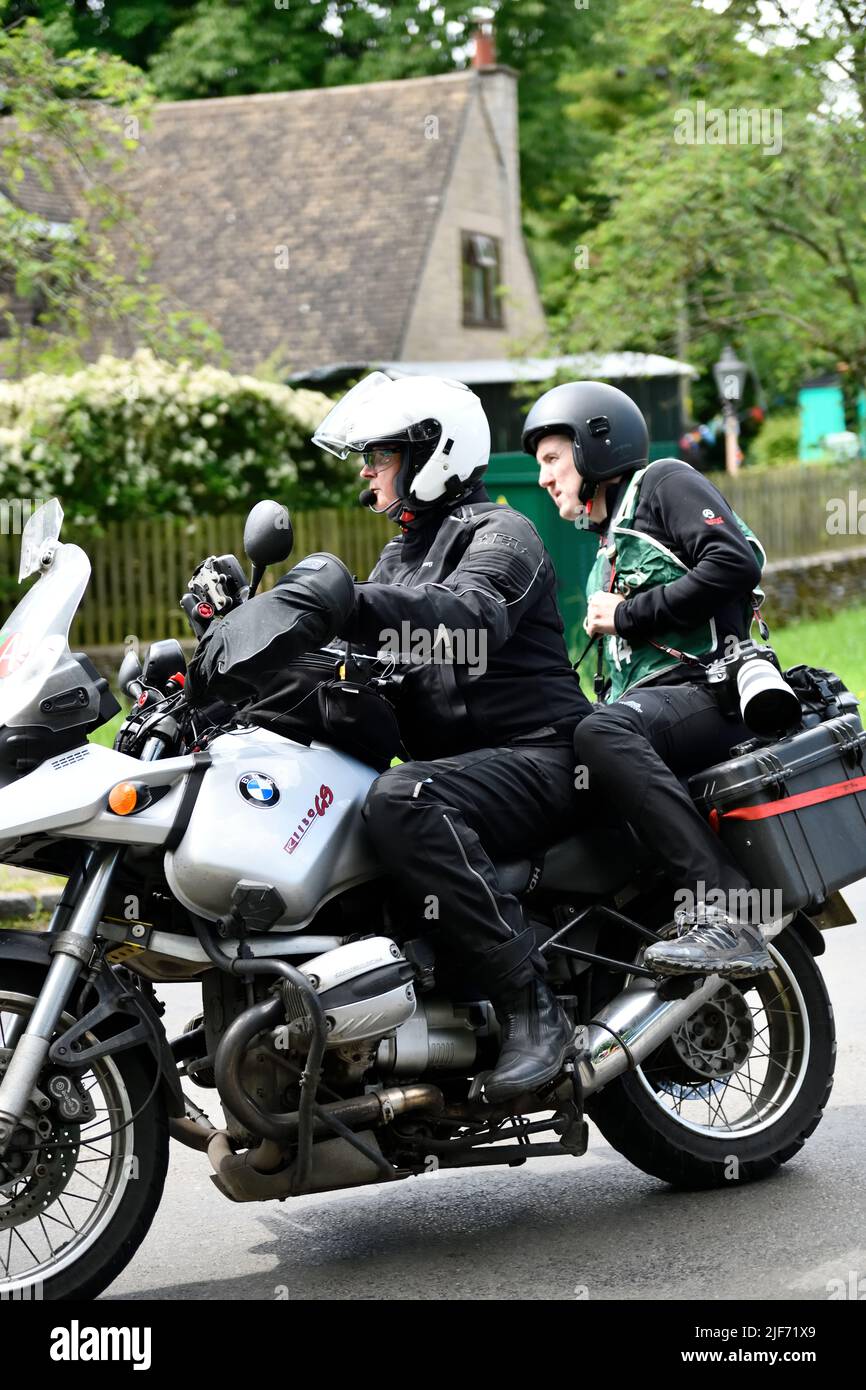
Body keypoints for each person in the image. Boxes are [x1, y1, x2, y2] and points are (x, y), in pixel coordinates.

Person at [192, 372, 592, 1103]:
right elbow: (364, 678)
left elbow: (466, 617)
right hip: (463, 773)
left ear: (432, 453)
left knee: (400, 797)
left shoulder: (503, 533)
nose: (367, 471)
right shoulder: (400, 557)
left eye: (379, 456)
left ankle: (532, 1009)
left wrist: (340, 603)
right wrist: (241, 653)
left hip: (543, 758)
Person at [522, 380, 774, 979]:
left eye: (553, 459)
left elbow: (735, 562)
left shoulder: (663, 482)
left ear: (594, 444)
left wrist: (628, 614)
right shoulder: (608, 543)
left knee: (603, 735)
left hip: (711, 692)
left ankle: (726, 908)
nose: (543, 479)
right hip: (660, 708)